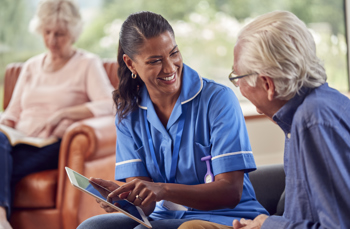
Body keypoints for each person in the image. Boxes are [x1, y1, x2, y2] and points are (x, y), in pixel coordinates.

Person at [77, 11, 268, 229]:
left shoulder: (218, 100)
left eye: (173, 53)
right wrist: (124, 198)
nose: (170, 68)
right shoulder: (128, 112)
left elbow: (230, 192)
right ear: (131, 64)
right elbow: (146, 207)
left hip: (226, 216)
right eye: (155, 61)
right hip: (163, 217)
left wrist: (162, 189)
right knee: (91, 227)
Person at [179, 10, 350, 229]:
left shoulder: (312, 120)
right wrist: (264, 224)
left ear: (267, 84)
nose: (237, 87)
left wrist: (268, 225)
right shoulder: (314, 109)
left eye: (237, 77)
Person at [0, 0, 115, 228]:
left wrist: (67, 113)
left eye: (60, 34)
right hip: (18, 142)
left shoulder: (86, 64)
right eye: (47, 32)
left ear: (73, 33)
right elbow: (11, 113)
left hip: (53, 145)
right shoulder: (31, 66)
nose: (52, 40)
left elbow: (111, 104)